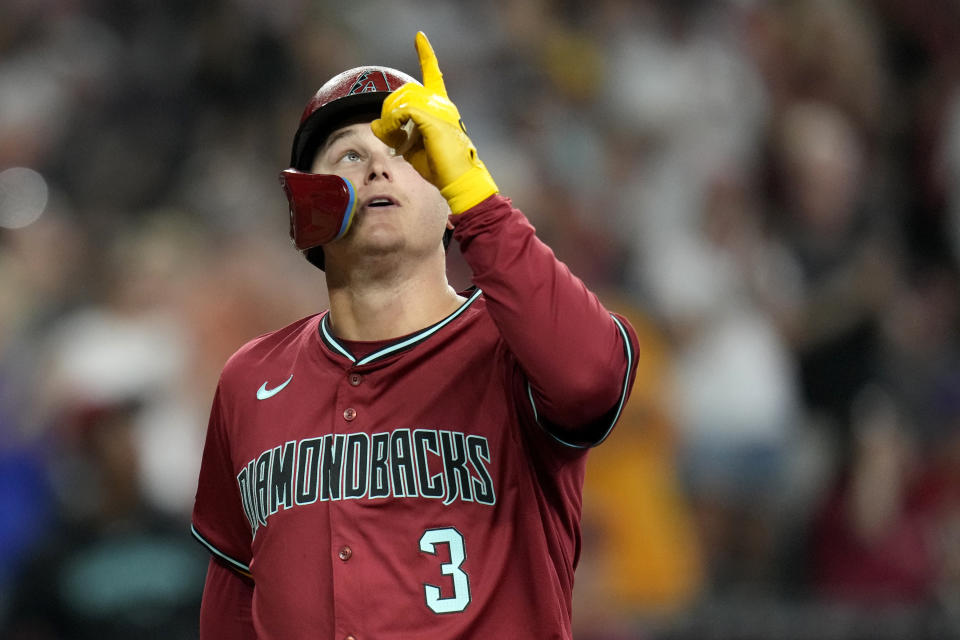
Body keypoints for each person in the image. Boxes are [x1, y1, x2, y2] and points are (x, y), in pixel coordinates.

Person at [190, 32, 639, 639]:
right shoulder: (251, 378)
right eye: (348, 154)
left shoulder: (515, 345)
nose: (378, 164)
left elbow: (592, 379)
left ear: (448, 188)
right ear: (307, 203)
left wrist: (479, 198)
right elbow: (234, 598)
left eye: (408, 152)